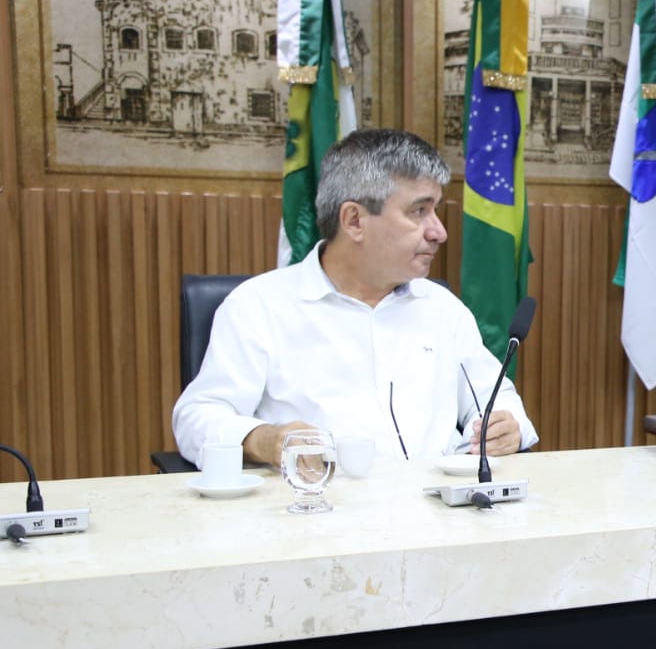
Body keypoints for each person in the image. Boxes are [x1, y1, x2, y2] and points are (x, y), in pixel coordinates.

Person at [172, 128, 537, 469]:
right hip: (318, 506)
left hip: (438, 504)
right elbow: (197, 417)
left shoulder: (442, 308)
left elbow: (496, 399)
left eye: (436, 210)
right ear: (354, 221)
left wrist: (507, 427)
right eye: (419, 211)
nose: (439, 232)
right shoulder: (259, 307)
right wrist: (263, 440)